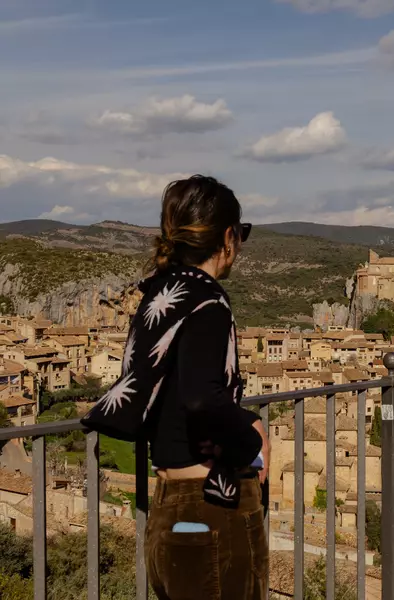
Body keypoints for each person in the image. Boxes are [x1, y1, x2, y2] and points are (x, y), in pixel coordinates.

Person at [81, 175, 270, 600]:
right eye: (240, 234)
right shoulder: (209, 300)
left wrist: (242, 416)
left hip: (170, 509)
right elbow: (202, 395)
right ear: (228, 237)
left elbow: (173, 386)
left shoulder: (160, 294)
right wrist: (251, 445)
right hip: (209, 508)